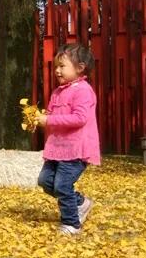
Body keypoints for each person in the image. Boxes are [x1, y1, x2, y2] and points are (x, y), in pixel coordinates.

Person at [36, 44, 100, 235]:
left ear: (80, 68)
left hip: (75, 150)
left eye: (62, 66)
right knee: (45, 181)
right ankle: (80, 202)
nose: (57, 70)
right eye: (56, 66)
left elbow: (80, 118)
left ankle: (72, 224)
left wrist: (49, 119)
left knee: (62, 185)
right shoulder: (57, 92)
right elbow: (51, 115)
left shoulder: (83, 91)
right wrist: (39, 118)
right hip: (57, 148)